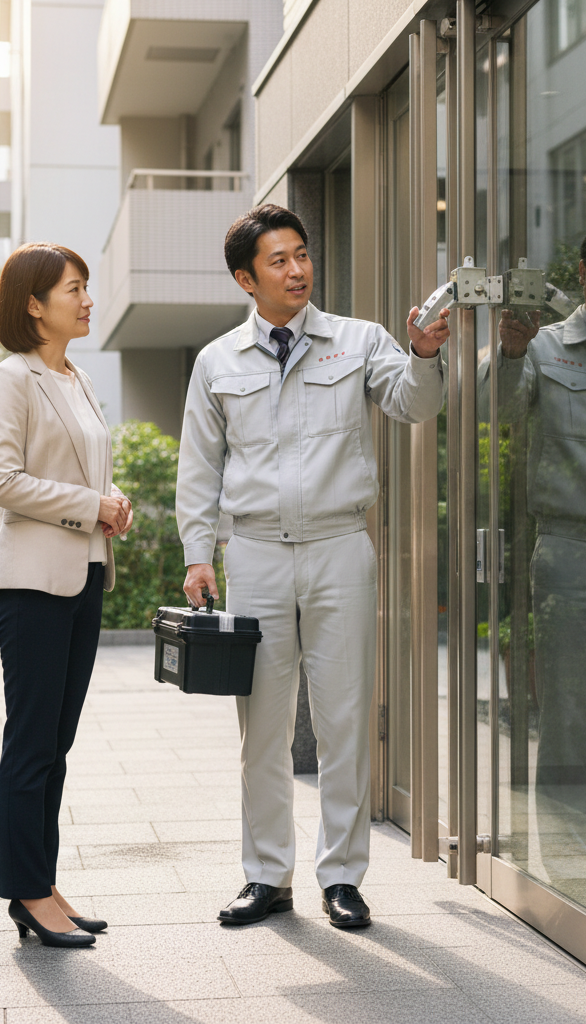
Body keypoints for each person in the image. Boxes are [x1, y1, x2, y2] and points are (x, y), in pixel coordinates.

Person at [176, 204, 449, 928]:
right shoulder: (217, 361)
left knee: (345, 720)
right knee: (261, 728)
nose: (297, 270)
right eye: (279, 260)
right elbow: (199, 465)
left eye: (302, 254)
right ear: (246, 279)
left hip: (339, 548)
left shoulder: (359, 340)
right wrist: (198, 554)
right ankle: (267, 877)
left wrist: (424, 354)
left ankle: (343, 878)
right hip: (256, 553)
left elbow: (414, 405)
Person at [0, 243, 133, 947]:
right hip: (32, 585)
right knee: (32, 742)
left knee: (56, 743)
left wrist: (112, 501)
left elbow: (86, 473)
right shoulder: (11, 379)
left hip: (85, 575)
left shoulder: (78, 378)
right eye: (75, 288)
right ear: (34, 304)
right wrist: (89, 505)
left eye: (86, 286)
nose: (88, 299)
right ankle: (28, 893)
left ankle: (41, 883)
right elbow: (2, 481)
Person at [481, 218, 586, 916]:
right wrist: (509, 351)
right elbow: (495, 410)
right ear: (584, 269)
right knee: (566, 721)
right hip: (570, 550)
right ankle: (568, 879)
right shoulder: (545, 346)